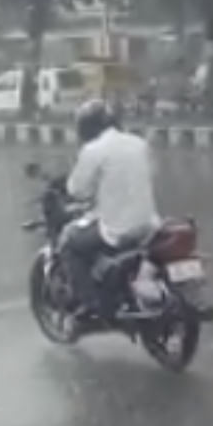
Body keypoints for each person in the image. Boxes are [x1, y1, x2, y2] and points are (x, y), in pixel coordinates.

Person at [62, 99, 160, 324]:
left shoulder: (93, 150)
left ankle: (91, 304)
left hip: (117, 230)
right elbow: (150, 174)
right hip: (149, 224)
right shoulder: (139, 144)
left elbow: (77, 190)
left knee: (69, 243)